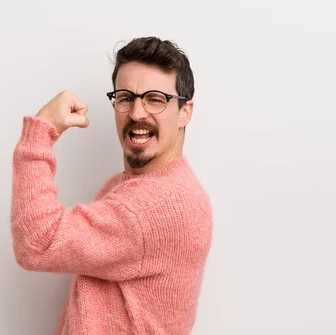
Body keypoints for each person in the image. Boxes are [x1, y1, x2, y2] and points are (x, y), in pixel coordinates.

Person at [11, 36, 213, 334]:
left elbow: (37, 243)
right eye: (126, 97)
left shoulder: (155, 206)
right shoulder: (131, 187)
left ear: (185, 111)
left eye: (155, 99)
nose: (136, 113)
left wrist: (41, 131)